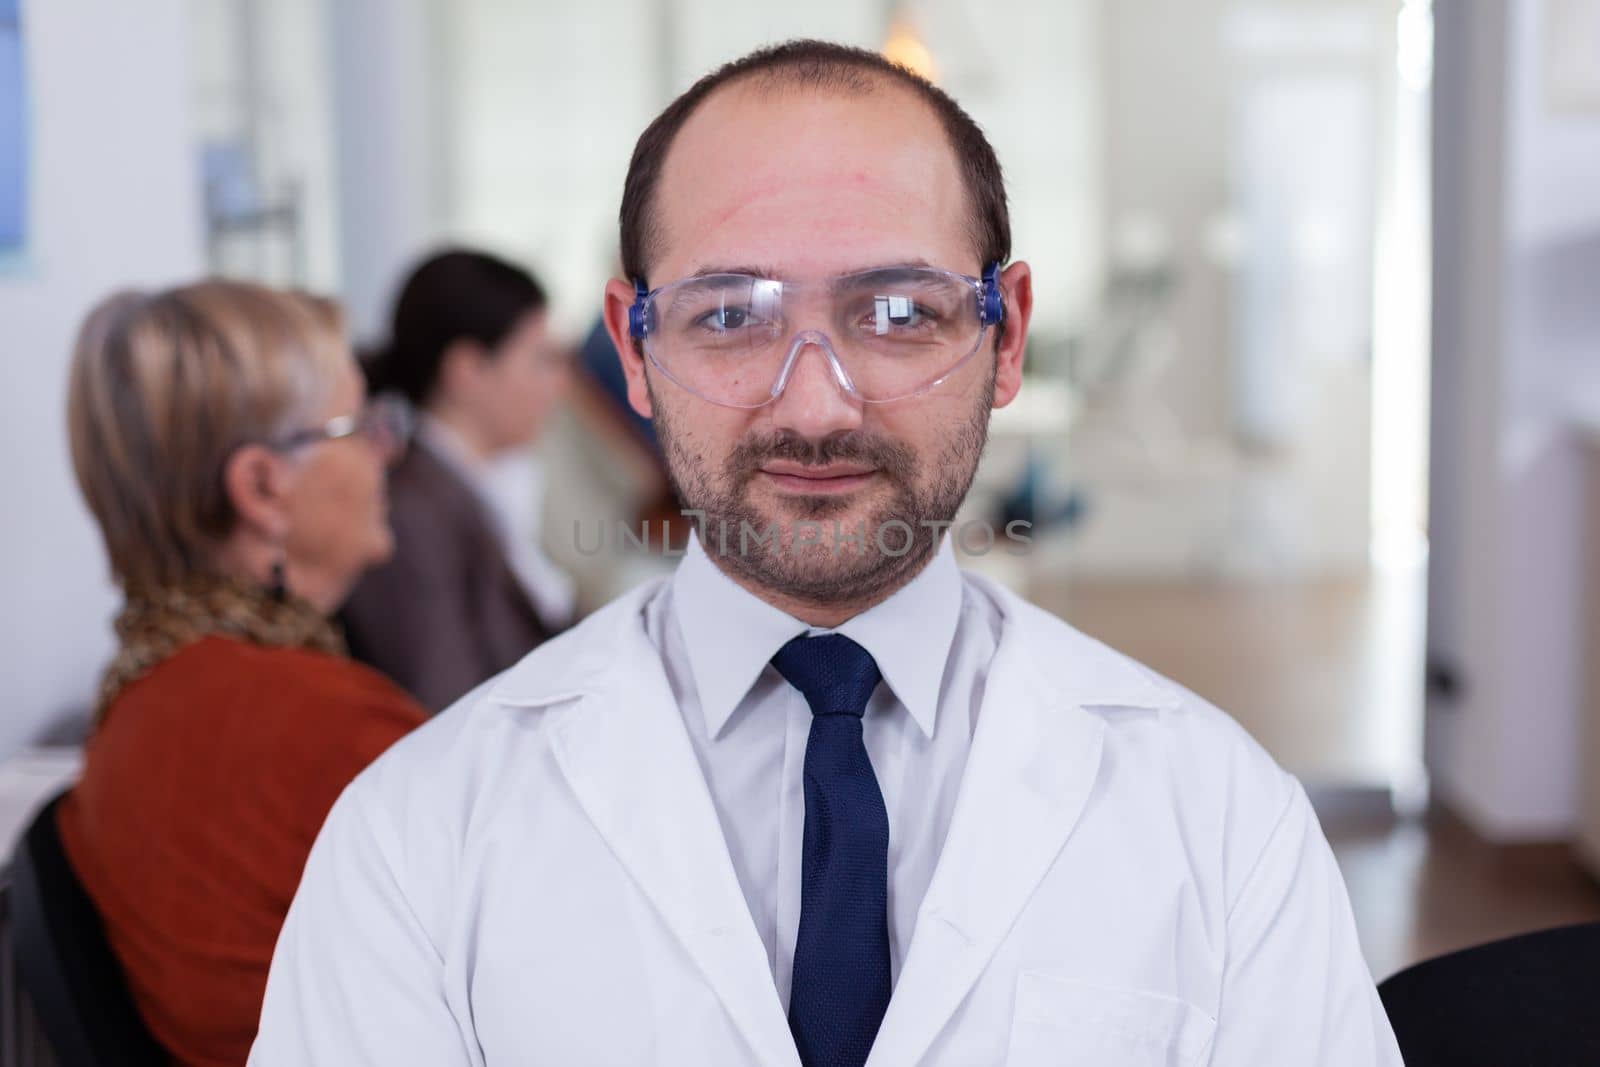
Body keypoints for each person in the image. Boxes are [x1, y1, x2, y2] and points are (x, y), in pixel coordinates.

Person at [251, 41, 1403, 1066]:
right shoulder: (416, 833)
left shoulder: (1219, 813)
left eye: (897, 313)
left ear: (1004, 337)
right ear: (632, 350)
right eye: (728, 314)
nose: (812, 407)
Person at [58, 281, 427, 1065]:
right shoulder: (323, 724)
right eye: (358, 426)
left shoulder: (136, 704)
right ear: (263, 487)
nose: (386, 448)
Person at [341, 249, 575, 712]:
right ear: (467, 369)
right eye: (540, 360)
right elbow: (444, 708)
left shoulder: (473, 487)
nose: (559, 384)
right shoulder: (410, 516)